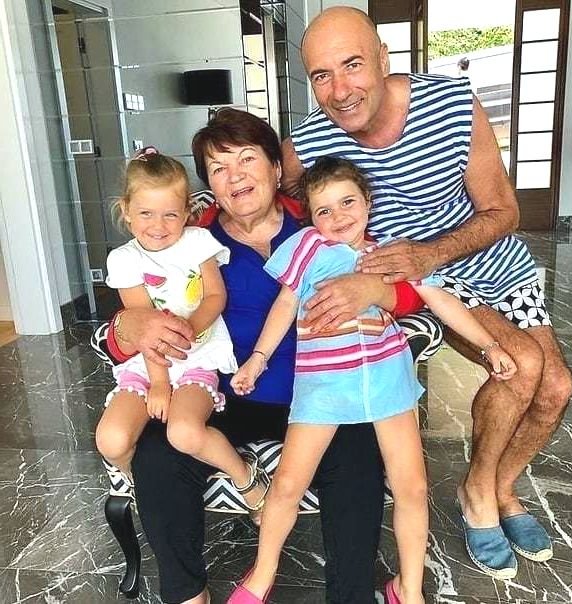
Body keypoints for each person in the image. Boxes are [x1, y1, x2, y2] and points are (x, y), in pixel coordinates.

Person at [281, 6, 572, 581]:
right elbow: (266, 201)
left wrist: (430, 252)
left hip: (485, 260)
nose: (339, 90)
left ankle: (494, 484)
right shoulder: (309, 140)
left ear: (383, 58)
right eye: (321, 75)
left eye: (352, 65)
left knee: (556, 389)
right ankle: (481, 500)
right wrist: (193, 222)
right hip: (427, 285)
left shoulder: (452, 103)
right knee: (522, 366)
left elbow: (505, 211)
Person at [101, 110, 426, 604]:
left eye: (247, 159)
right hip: (227, 393)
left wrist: (378, 293)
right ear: (208, 186)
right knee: (159, 456)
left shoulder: (322, 218)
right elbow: (127, 320)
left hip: (324, 394)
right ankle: (188, 595)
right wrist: (127, 328)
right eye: (218, 168)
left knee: (357, 463)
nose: (234, 176)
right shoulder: (190, 237)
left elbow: (413, 289)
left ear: (276, 168)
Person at [227, 156, 517, 604]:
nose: (338, 216)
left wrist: (489, 345)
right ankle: (262, 577)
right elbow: (285, 304)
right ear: (311, 218)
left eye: (347, 202)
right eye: (324, 210)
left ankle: (409, 589)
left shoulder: (391, 254)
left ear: (367, 201)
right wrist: (258, 359)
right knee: (287, 485)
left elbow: (441, 299)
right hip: (323, 389)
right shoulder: (308, 247)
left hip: (387, 384)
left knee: (412, 487)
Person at [95, 146, 269, 524]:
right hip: (148, 364)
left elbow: (215, 295)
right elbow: (146, 328)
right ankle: (142, 484)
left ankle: (246, 478)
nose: (158, 226)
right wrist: (159, 384)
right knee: (111, 439)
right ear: (126, 211)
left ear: (187, 212)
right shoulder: (123, 260)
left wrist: (192, 327)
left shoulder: (198, 242)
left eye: (170, 214)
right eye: (146, 213)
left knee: (185, 433)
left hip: (195, 359)